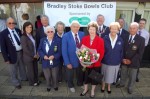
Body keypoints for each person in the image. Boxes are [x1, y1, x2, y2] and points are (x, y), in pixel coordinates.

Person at [116, 22, 145, 94]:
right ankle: (122, 84)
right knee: (123, 73)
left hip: (134, 62)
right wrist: (122, 58)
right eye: (130, 28)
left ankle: (130, 88)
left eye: (134, 28)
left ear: (137, 29)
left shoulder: (141, 39)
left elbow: (140, 53)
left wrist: (130, 60)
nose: (132, 30)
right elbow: (121, 49)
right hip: (124, 60)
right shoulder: (124, 36)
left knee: (132, 76)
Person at [0, 17, 27, 89]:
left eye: (13, 23)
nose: (12, 24)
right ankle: (16, 82)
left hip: (21, 52)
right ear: (6, 24)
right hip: (11, 54)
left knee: (22, 67)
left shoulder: (18, 30)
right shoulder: (3, 33)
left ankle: (23, 78)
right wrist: (6, 58)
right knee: (13, 70)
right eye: (10, 23)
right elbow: (3, 47)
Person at [80, 21, 104, 98]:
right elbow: (81, 51)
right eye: (90, 29)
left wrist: (95, 60)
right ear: (88, 29)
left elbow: (102, 52)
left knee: (94, 78)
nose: (92, 31)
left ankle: (92, 90)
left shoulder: (100, 40)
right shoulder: (84, 39)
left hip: (96, 64)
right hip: (86, 64)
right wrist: (82, 61)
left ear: (96, 30)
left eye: (93, 29)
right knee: (85, 78)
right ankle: (85, 89)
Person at [62, 21, 84, 93]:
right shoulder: (65, 36)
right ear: (71, 27)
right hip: (70, 60)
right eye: (74, 26)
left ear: (79, 27)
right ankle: (70, 85)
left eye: (77, 27)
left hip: (80, 59)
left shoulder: (82, 34)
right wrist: (67, 62)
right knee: (70, 75)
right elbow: (64, 51)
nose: (76, 28)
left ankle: (80, 83)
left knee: (80, 73)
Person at [101, 22, 123, 94]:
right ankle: (103, 86)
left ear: (118, 30)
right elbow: (101, 50)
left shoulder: (120, 39)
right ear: (110, 29)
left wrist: (119, 60)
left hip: (115, 62)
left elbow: (121, 51)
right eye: (112, 29)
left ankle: (109, 86)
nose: (113, 30)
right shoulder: (105, 38)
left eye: (115, 29)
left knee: (111, 76)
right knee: (104, 75)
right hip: (105, 61)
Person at [38, 26, 61, 92]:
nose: (50, 33)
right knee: (47, 76)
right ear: (46, 33)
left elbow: (60, 52)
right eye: (48, 32)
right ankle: (48, 85)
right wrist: (43, 56)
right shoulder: (42, 40)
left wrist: (54, 56)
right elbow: (39, 50)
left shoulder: (58, 40)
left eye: (51, 31)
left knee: (55, 75)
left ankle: (55, 85)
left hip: (55, 61)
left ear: (54, 32)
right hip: (45, 61)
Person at [20, 22, 39, 86]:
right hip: (28, 57)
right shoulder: (23, 37)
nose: (29, 28)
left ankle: (36, 80)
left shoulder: (32, 35)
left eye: (30, 27)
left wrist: (36, 53)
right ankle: (32, 82)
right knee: (31, 71)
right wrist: (33, 55)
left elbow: (34, 46)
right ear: (24, 28)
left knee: (35, 69)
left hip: (35, 56)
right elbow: (25, 49)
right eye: (27, 27)